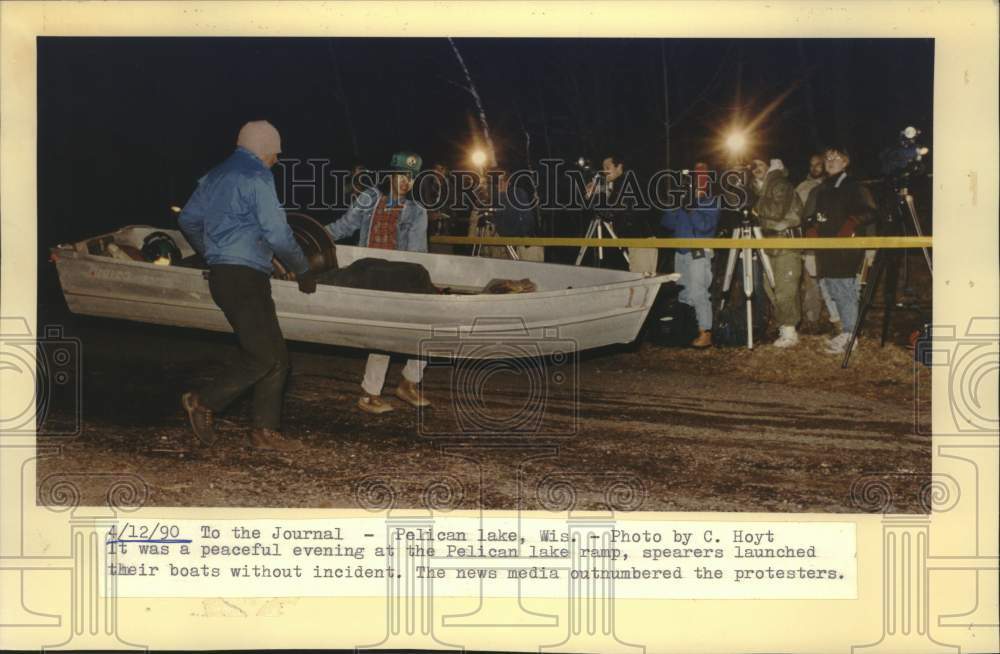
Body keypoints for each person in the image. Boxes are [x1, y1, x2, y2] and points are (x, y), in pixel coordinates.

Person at [177, 120, 315, 451]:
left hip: (229, 276)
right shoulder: (257, 176)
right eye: (275, 154)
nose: (276, 161)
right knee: (262, 356)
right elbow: (278, 233)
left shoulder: (215, 175)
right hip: (243, 279)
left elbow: (187, 219)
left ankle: (264, 432)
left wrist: (212, 252)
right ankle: (203, 401)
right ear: (264, 150)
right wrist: (302, 268)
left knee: (277, 356)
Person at [324, 151, 431, 414]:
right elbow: (343, 227)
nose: (407, 181)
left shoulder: (417, 212)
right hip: (368, 275)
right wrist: (314, 236)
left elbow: (417, 255)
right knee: (383, 335)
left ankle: (408, 383)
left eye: (412, 178)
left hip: (398, 278)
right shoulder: (368, 198)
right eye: (402, 175)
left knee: (428, 325)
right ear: (391, 175)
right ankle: (370, 395)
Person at [803, 147, 877, 354]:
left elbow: (869, 211)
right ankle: (846, 331)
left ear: (846, 162)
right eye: (827, 158)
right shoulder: (823, 188)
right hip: (826, 248)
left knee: (845, 289)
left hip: (846, 247)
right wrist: (811, 230)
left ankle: (851, 335)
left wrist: (849, 226)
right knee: (834, 288)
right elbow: (814, 216)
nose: (830, 161)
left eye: (836, 158)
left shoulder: (854, 186)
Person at [660, 163, 720, 348]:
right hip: (681, 252)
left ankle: (705, 332)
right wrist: (674, 204)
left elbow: (705, 227)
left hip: (699, 252)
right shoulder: (683, 198)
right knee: (683, 293)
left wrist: (691, 209)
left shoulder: (712, 201)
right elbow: (666, 223)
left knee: (699, 292)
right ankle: (686, 331)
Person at [751, 158, 804, 348]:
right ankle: (785, 326)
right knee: (771, 287)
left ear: (771, 166)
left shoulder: (780, 184)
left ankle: (790, 331)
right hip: (770, 243)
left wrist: (756, 205)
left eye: (760, 165)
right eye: (753, 166)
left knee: (785, 289)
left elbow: (775, 211)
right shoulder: (764, 188)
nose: (756, 169)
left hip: (786, 243)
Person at [795, 154, 840, 329]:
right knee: (811, 282)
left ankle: (838, 318)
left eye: (818, 164)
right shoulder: (802, 187)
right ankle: (812, 320)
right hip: (809, 240)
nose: (815, 168)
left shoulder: (834, 186)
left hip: (832, 240)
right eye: (811, 164)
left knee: (831, 281)